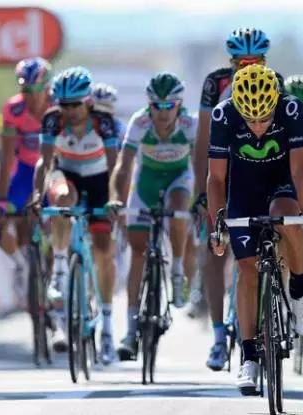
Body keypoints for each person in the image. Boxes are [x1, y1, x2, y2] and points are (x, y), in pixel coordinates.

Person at [207, 64, 303, 394]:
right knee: (247, 269)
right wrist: (217, 224)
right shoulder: (223, 115)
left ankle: (298, 286)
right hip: (242, 191)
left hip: (281, 184)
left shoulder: (291, 110)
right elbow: (216, 178)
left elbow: (300, 172)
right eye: (250, 120)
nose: (257, 127)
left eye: (264, 119)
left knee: (289, 217)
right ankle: (249, 357)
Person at [192, 27, 283, 372]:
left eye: (255, 62)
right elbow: (204, 141)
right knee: (214, 251)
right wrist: (202, 192)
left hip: (260, 168)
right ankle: (218, 336)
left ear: (265, 61)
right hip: (222, 168)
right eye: (241, 63)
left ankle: (273, 310)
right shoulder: (215, 83)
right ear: (230, 62)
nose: (248, 68)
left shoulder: (276, 82)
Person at [32, 66, 120, 363]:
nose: (68, 111)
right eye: (63, 104)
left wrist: (115, 199)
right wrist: (36, 196)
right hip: (66, 174)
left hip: (99, 181)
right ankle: (59, 270)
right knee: (62, 199)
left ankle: (106, 327)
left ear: (88, 102)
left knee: (103, 251)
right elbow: (44, 163)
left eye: (74, 105)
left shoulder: (104, 122)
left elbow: (115, 166)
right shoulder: (52, 120)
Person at [108, 72, 197, 360]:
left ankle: (178, 269)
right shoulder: (139, 122)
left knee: (179, 205)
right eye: (156, 106)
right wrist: (117, 198)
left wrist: (203, 199)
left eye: (169, 105)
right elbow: (123, 166)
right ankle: (130, 329)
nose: (162, 112)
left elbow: (201, 163)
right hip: (146, 183)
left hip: (178, 180)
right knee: (138, 251)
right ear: (149, 106)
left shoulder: (190, 124)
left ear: (179, 105)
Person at [0, 57, 52, 306]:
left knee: (60, 219)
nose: (27, 96)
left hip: (54, 169)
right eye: (23, 89)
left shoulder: (58, 108)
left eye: (33, 90)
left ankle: (59, 270)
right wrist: (0, 199)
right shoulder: (13, 109)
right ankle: (21, 264)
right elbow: (6, 158)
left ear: (46, 88)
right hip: (25, 171)